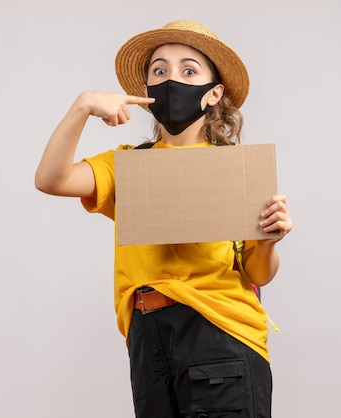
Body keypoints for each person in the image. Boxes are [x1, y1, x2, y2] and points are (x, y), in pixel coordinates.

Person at [35, 20, 292, 418]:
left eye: (189, 70)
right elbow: (51, 179)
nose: (172, 79)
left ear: (213, 93)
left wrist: (270, 239)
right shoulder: (129, 166)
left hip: (218, 331)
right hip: (146, 338)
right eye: (160, 71)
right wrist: (82, 105)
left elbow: (257, 272)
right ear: (147, 93)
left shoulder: (236, 169)